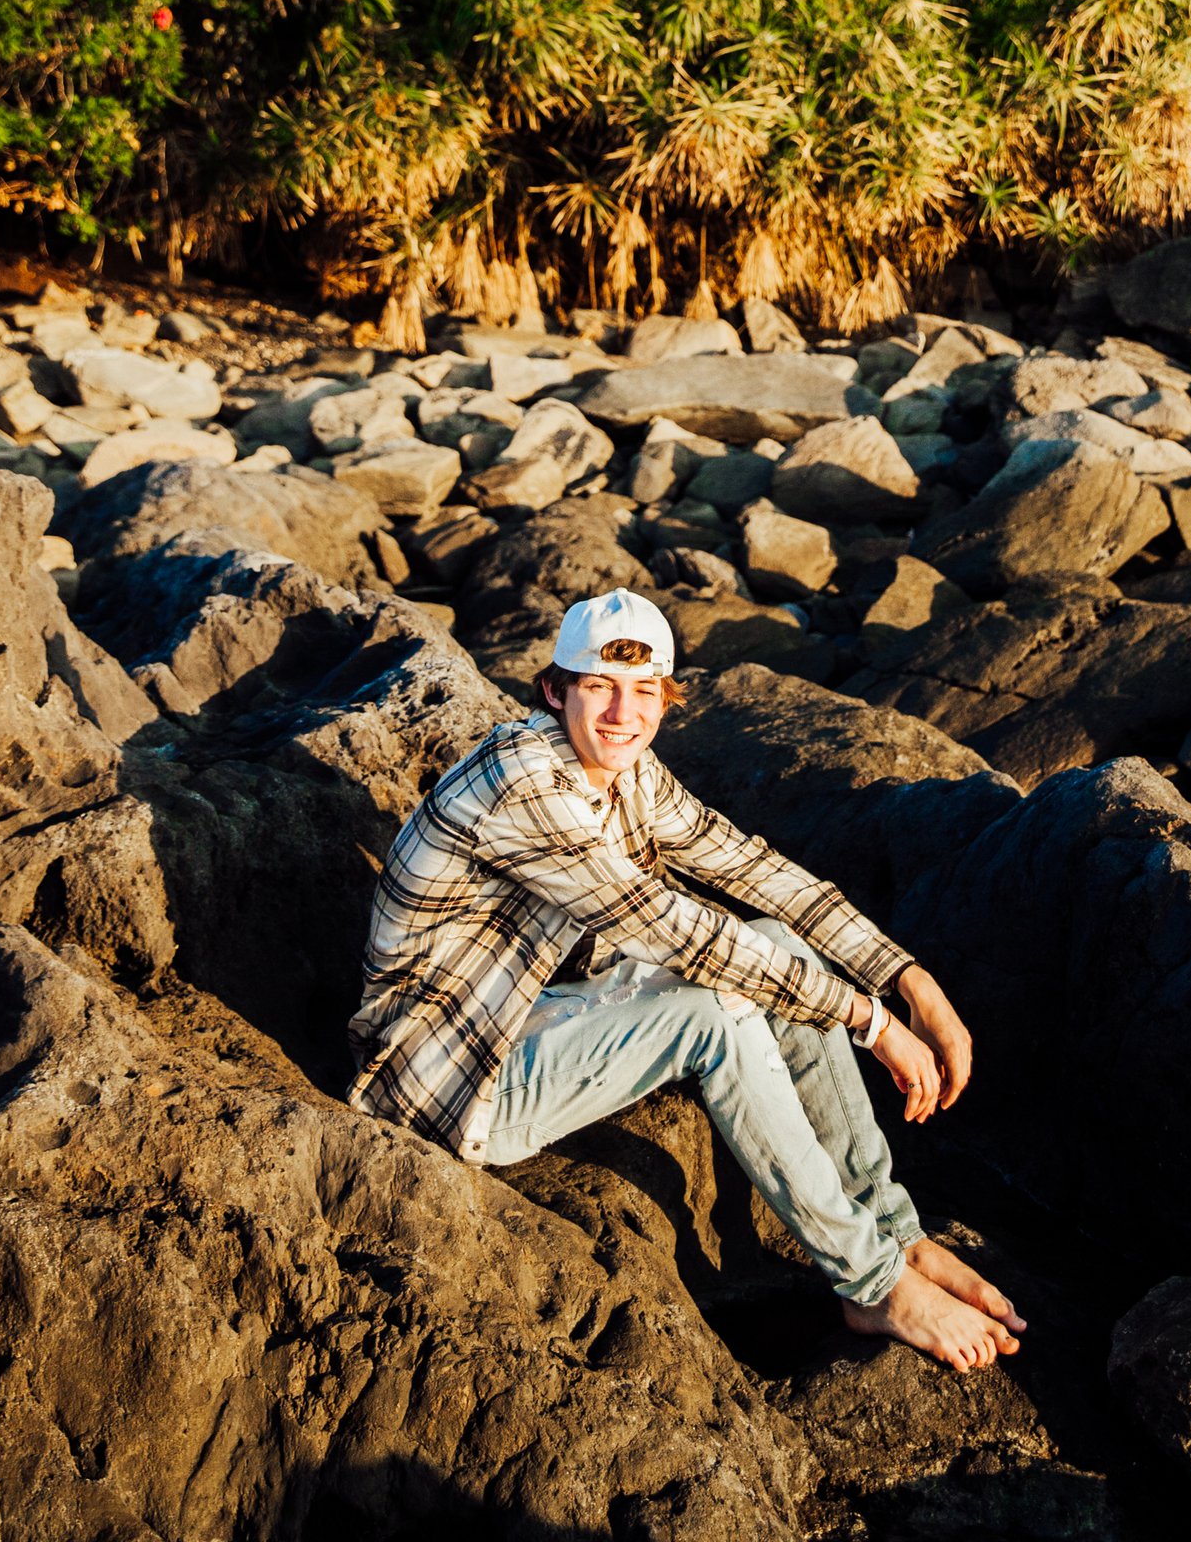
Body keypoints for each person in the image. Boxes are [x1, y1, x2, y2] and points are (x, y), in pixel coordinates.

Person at [349, 585, 1024, 1367]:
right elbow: (674, 931)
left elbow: (757, 871)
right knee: (718, 1012)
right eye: (599, 687)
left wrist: (912, 985)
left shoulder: (627, 772)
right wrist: (869, 1025)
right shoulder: (523, 782)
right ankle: (870, 1285)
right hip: (445, 1080)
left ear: (666, 700)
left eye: (644, 693)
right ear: (555, 690)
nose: (621, 714)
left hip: (531, 1009)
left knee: (778, 944)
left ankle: (895, 1236)